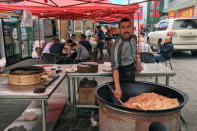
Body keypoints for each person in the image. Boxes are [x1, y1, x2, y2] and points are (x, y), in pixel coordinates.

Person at [111, 18, 141, 101]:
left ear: (132, 27)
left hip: (131, 69)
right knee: (119, 98)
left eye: (128, 27)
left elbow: (134, 52)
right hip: (121, 72)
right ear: (119, 29)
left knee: (131, 96)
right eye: (123, 27)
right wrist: (117, 88)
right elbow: (115, 67)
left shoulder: (134, 38)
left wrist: (136, 63)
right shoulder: (117, 45)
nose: (126, 30)